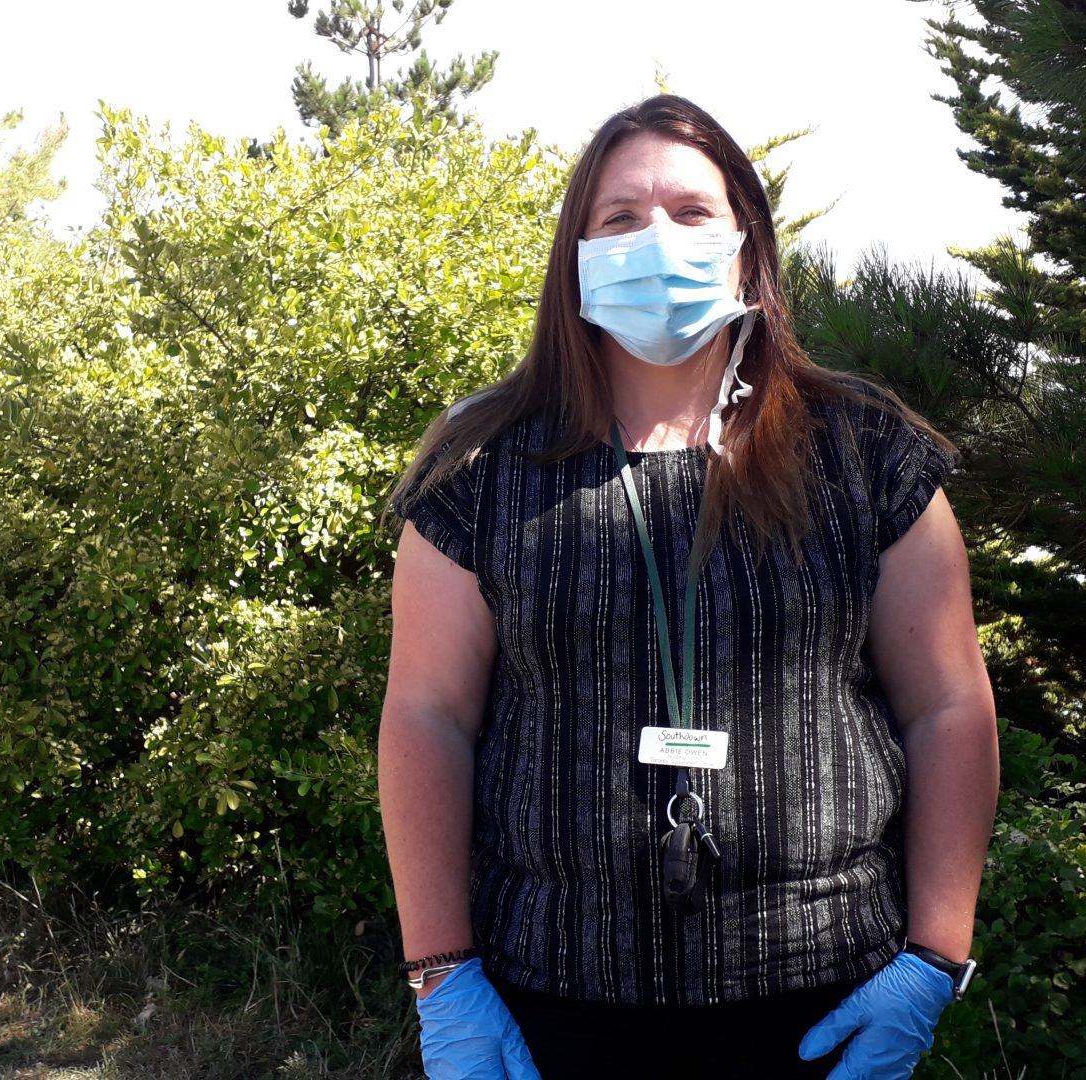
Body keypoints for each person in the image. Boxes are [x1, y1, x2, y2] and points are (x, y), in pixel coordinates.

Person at [379, 94, 999, 1080]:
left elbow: (950, 706)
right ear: (575, 255)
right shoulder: (481, 467)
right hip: (551, 1006)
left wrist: (934, 957)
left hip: (825, 1006)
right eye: (620, 217)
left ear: (747, 244)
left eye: (691, 211)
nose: (655, 238)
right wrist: (441, 976)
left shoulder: (865, 452)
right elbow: (425, 717)